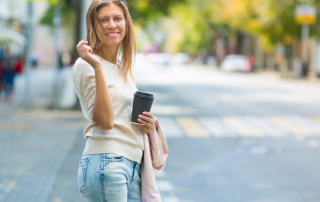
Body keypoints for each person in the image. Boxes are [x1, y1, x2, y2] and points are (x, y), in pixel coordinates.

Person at [72, 0, 157, 201]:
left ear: (126, 24)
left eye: (117, 18)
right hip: (106, 163)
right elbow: (106, 121)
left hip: (132, 164)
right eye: (104, 20)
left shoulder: (122, 67)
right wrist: (97, 67)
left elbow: (121, 115)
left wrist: (148, 123)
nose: (112, 24)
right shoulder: (86, 65)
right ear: (94, 25)